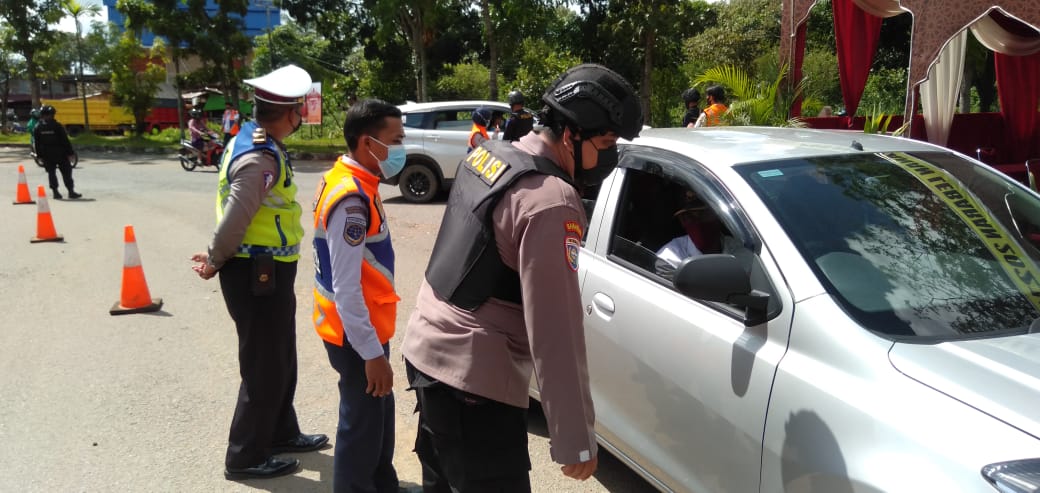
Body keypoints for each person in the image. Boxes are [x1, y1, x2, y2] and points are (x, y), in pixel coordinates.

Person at [402, 63, 643, 491]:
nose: (610, 155)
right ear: (572, 135)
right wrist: (574, 438)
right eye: (606, 142)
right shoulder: (552, 201)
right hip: (473, 386)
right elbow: (556, 331)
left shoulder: (492, 155)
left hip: (426, 352)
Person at [190, 64, 328, 481]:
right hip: (256, 272)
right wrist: (216, 257)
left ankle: (282, 432)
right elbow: (238, 214)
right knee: (263, 364)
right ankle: (245, 456)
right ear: (290, 114)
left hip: (268, 269)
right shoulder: (260, 155)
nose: (301, 116)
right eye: (300, 110)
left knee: (280, 356)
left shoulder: (255, 141)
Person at [310, 99, 406, 493]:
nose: (401, 148)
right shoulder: (351, 199)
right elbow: (346, 287)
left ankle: (383, 484)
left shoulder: (354, 180)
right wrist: (371, 354)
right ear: (369, 144)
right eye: (395, 140)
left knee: (378, 414)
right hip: (355, 335)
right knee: (361, 426)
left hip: (363, 328)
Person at [33, 105, 80, 199]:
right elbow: (65, 140)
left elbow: (36, 143)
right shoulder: (57, 126)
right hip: (60, 154)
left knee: (51, 173)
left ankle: (56, 192)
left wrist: (39, 156)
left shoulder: (38, 127)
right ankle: (70, 192)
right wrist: (70, 153)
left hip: (47, 154)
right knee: (66, 172)